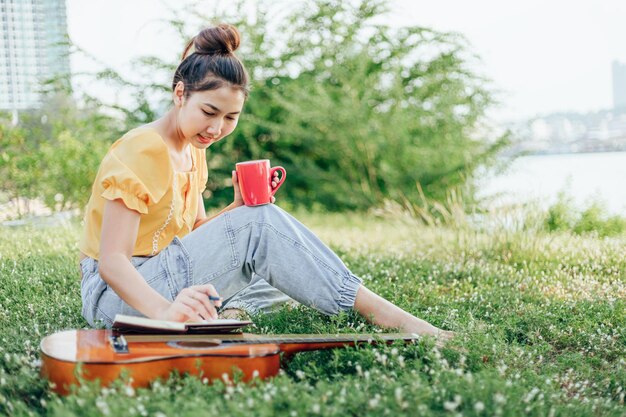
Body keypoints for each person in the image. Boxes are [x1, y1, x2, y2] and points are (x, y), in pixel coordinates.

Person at [78, 24, 454, 342]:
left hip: (163, 271)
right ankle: (387, 316)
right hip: (115, 298)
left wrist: (236, 209)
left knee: (286, 270)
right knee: (266, 231)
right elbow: (112, 262)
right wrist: (166, 311)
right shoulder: (144, 149)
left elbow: (192, 232)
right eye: (209, 112)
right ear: (180, 94)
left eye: (230, 117)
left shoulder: (192, 149)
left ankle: (226, 314)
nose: (216, 128)